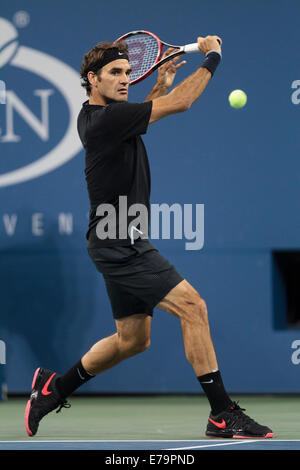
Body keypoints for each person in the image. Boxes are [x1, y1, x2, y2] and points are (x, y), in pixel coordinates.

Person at [25, 35, 273, 439]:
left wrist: (160, 83)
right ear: (92, 79)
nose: (125, 80)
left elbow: (148, 110)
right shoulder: (107, 120)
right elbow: (181, 103)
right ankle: (222, 414)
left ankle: (53, 389)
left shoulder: (101, 116)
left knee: (132, 340)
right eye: (115, 74)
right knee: (194, 307)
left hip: (116, 236)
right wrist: (212, 58)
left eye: (127, 72)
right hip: (118, 241)